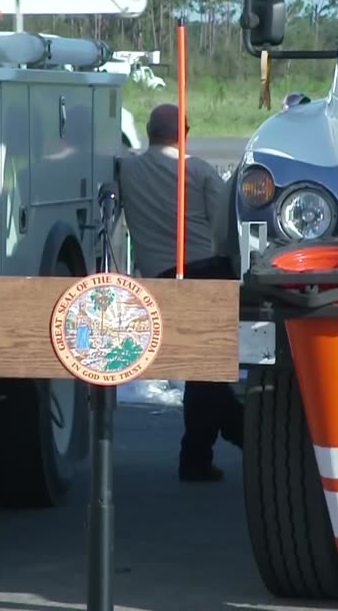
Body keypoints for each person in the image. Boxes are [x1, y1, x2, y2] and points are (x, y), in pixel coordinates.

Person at [115, 103, 244, 483]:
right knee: (207, 372)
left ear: (150, 132)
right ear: (183, 132)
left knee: (202, 373)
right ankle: (232, 435)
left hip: (161, 280)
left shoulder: (127, 170)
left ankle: (203, 451)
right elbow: (225, 227)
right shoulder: (199, 170)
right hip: (206, 273)